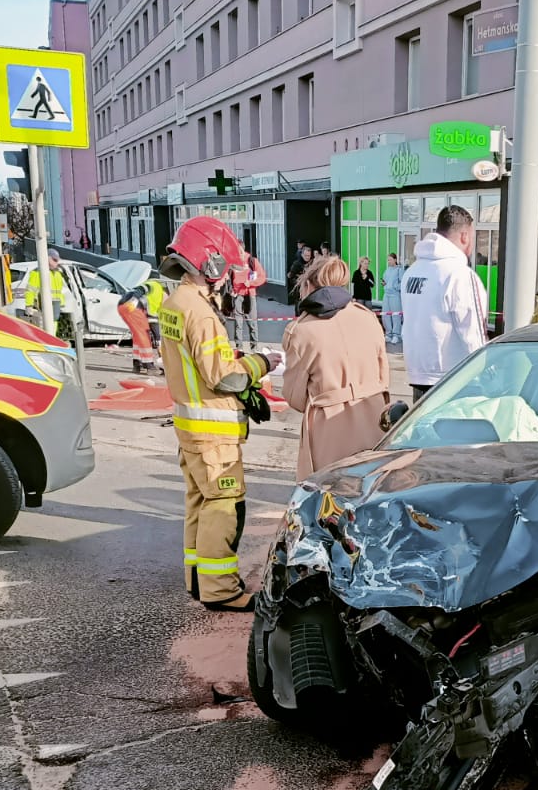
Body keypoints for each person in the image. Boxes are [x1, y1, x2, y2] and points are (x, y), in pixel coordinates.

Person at [159, 216, 279, 611]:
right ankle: (221, 590)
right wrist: (262, 363)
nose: (226, 277)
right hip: (213, 431)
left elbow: (198, 364)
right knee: (224, 507)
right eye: (225, 268)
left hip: (191, 429)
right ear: (209, 262)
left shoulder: (174, 304)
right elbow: (225, 377)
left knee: (200, 502)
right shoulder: (201, 312)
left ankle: (197, 580)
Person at [282, 255, 391, 479]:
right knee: (371, 486)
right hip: (374, 418)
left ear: (307, 285)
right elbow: (384, 375)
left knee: (327, 491)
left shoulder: (301, 330)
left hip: (328, 426)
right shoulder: (368, 317)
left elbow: (294, 396)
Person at [400, 205, 488, 402]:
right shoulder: (460, 274)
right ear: (464, 236)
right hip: (453, 378)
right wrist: (485, 372)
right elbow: (473, 333)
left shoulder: (412, 271)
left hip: (419, 374)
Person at [24, 251, 68, 339]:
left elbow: (59, 291)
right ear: (47, 258)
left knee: (53, 330)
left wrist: (62, 304)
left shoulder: (58, 274)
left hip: (55, 307)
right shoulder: (37, 273)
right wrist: (29, 305)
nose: (56, 263)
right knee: (43, 332)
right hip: (42, 307)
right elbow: (30, 290)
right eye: (54, 260)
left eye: (57, 260)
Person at [381, 252, 405, 346]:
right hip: (386, 294)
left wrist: (395, 287)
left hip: (395, 295)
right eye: (388, 260)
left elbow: (403, 282)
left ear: (395, 260)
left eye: (390, 260)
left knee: (396, 315)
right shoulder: (387, 270)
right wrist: (384, 284)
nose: (389, 261)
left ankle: (396, 335)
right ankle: (388, 334)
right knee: (385, 315)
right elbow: (385, 280)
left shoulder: (399, 270)